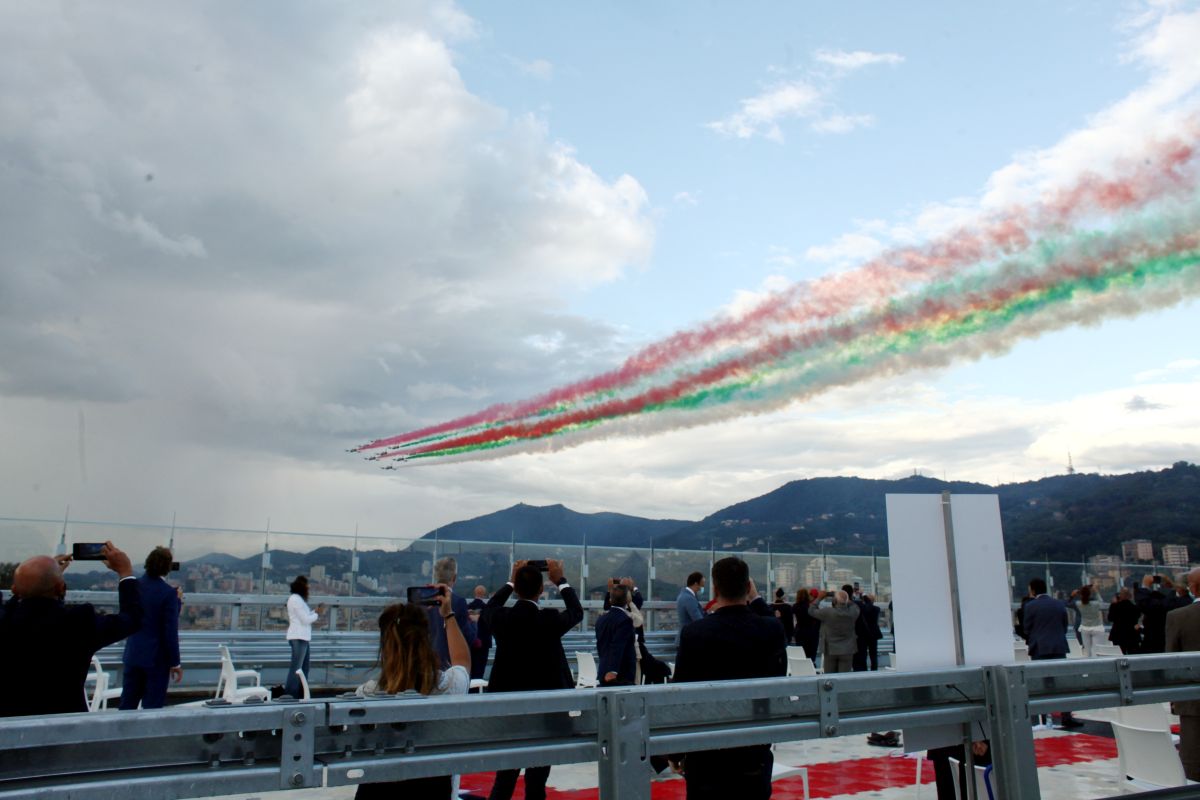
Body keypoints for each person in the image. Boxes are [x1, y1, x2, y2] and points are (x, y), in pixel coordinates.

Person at [671, 557, 786, 800]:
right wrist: (755, 600)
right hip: (754, 750)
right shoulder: (770, 630)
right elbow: (775, 628)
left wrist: (675, 751)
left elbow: (679, 694)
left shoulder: (694, 634)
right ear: (748, 588)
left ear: (714, 589)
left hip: (706, 753)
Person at [354, 585, 470, 799]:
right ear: (426, 639)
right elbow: (463, 661)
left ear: (386, 645)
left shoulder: (367, 693)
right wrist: (448, 615)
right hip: (434, 790)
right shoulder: (448, 686)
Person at [0, 543, 142, 717]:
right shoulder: (78, 622)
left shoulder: (6, 620)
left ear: (14, 589)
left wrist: (37, 577)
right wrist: (125, 573)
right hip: (62, 729)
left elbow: (11, 607)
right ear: (61, 588)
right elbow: (132, 619)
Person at [483, 559, 583, 800]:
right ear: (541, 590)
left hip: (509, 707)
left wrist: (510, 580)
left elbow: (489, 607)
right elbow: (576, 612)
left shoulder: (502, 618)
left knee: (504, 778)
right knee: (537, 781)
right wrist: (561, 581)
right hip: (545, 709)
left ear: (516, 589)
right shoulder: (548, 619)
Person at [120, 546, 182, 709]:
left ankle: (122, 733)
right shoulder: (168, 593)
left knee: (127, 703)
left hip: (133, 653)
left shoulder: (134, 586)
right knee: (152, 706)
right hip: (156, 659)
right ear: (167, 567)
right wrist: (175, 663)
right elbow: (170, 629)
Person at [1022, 577, 1081, 728]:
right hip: (1058, 646)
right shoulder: (1058, 604)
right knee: (1061, 683)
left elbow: (1026, 628)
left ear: (1033, 590)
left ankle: (1042, 718)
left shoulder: (1030, 606)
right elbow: (1064, 624)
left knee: (1041, 684)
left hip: (1040, 648)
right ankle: (1066, 716)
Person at [1166, 567, 1200, 781]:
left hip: (1193, 700)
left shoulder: (1179, 617)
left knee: (1193, 760)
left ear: (1193, 588)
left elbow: (1171, 662)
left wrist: (1174, 697)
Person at [427, 557, 476, 669]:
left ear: (435, 575)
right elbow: (468, 637)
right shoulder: (458, 602)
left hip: (426, 663)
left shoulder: (423, 600)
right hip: (449, 664)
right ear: (454, 577)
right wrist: (474, 623)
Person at [285, 576, 323, 699]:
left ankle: (302, 693)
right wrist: (317, 614)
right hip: (298, 637)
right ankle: (291, 695)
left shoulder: (298, 600)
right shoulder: (295, 600)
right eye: (307, 585)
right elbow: (305, 619)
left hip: (303, 637)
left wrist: (314, 611)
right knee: (297, 669)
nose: (309, 587)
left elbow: (305, 616)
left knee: (304, 668)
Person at [808, 590, 859, 674]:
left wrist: (819, 598)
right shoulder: (853, 612)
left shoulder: (827, 612)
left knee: (830, 677)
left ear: (834, 601)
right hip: (847, 650)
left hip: (830, 649)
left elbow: (811, 610)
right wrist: (842, 596)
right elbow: (853, 605)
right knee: (844, 678)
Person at [596, 583, 637, 685]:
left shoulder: (601, 620)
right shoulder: (625, 620)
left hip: (603, 669)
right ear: (626, 600)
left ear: (610, 600)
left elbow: (601, 645)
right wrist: (613, 670)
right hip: (620, 674)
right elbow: (617, 646)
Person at [1136, 574, 1171, 653]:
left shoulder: (1168, 602)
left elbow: (1146, 605)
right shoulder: (1170, 599)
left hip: (1156, 642)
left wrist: (1145, 586)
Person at [1070, 585, 1105, 657]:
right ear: (1090, 593)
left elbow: (1068, 603)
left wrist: (1072, 596)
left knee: (1086, 650)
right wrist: (1097, 592)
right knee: (1096, 650)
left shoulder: (1078, 604)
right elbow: (1102, 603)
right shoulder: (1095, 603)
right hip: (1096, 627)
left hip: (1084, 627)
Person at [466, 584, 492, 681]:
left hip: (470, 643)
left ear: (474, 593)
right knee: (479, 672)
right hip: (484, 644)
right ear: (484, 594)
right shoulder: (487, 609)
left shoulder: (468, 607)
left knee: (470, 670)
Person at [1107, 587, 1141, 654]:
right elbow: (1137, 617)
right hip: (1132, 635)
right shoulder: (1135, 607)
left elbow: (1110, 618)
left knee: (1119, 655)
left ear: (1120, 596)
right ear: (1129, 596)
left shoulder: (1115, 607)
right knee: (1133, 655)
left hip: (1118, 635)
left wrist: (1113, 604)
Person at [675, 571, 705, 644]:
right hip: (688, 641)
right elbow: (698, 620)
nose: (702, 588)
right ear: (695, 583)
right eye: (702, 585)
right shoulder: (689, 598)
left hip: (685, 640)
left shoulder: (684, 595)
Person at [856, 594, 883, 671]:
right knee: (873, 654)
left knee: (863, 653)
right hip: (873, 634)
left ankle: (864, 669)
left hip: (863, 634)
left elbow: (867, 610)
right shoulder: (877, 609)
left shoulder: (862, 610)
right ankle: (874, 669)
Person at [792, 588, 820, 661]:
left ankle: (802, 669)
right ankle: (812, 668)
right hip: (811, 634)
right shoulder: (811, 606)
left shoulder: (795, 606)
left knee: (801, 655)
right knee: (811, 656)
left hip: (799, 633)